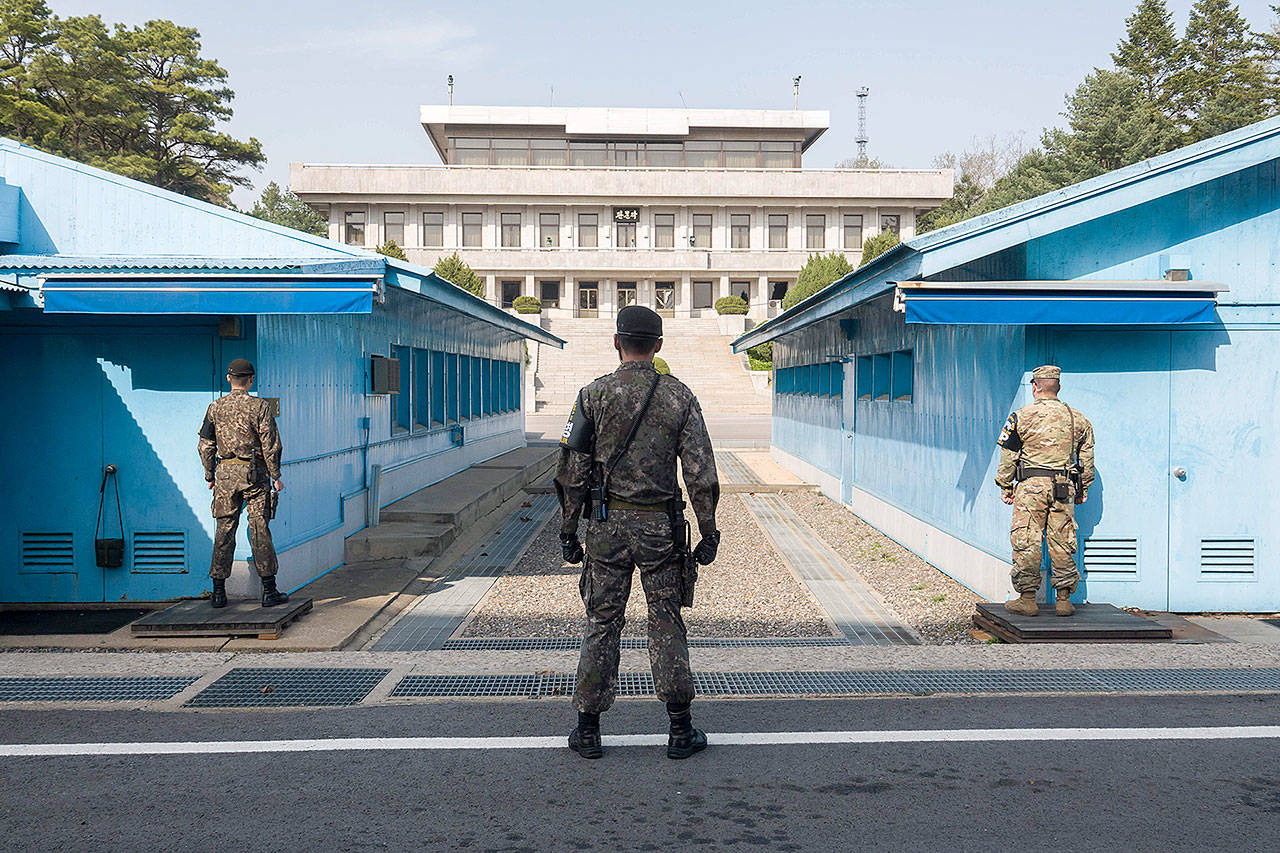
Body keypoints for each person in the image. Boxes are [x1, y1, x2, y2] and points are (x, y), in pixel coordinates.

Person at [555, 305, 721, 760]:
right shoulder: (679, 397)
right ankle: (680, 731)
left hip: (607, 527)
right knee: (666, 620)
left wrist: (569, 531)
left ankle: (588, 730)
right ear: (659, 347)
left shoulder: (593, 395)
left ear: (616, 341)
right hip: (660, 530)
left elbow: (572, 471)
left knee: (602, 621)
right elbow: (700, 472)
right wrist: (708, 532)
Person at [994, 365, 1095, 617]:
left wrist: (1006, 486)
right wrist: (1083, 488)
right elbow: (1086, 459)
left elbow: (1008, 457)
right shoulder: (1078, 419)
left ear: (1035, 387)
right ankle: (1063, 600)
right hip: (1064, 487)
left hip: (1030, 488)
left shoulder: (1020, 416)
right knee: (1062, 540)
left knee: (1027, 540)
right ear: (1058, 388)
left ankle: (1027, 599)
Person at [197, 358, 288, 609]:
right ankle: (269, 590)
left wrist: (209, 475)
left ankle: (218, 592)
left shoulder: (214, 408)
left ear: (228, 379)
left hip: (225, 474)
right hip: (254, 474)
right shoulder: (260, 407)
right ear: (251, 379)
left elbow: (205, 445)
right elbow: (271, 445)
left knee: (224, 529)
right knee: (259, 527)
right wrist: (276, 476)